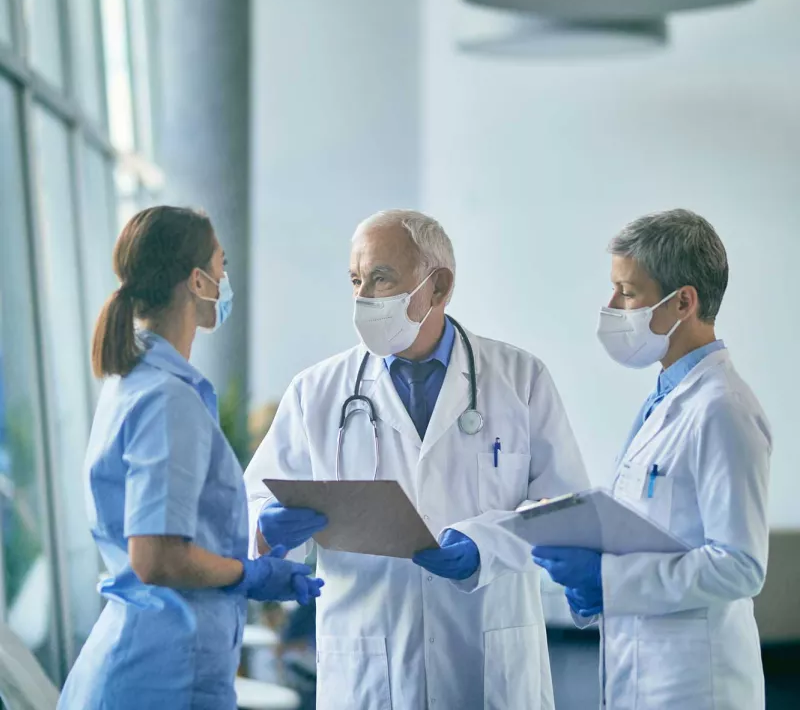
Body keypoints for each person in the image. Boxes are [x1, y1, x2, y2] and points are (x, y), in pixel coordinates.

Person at [244, 209, 589, 709]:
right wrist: (266, 526)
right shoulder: (316, 392)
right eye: (356, 280)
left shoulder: (520, 379)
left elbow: (565, 509)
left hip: (487, 660)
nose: (363, 298)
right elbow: (258, 495)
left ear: (439, 286)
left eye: (381, 279)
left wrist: (486, 546)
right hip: (368, 666)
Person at [59, 207, 323, 710]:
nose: (227, 281)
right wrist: (250, 575)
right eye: (222, 266)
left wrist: (255, 540)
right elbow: (156, 556)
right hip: (158, 677)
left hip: (152, 667)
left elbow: (177, 530)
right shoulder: (166, 398)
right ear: (198, 281)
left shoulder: (140, 380)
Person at [532, 209, 771, 710]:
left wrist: (607, 581)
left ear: (684, 301)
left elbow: (741, 566)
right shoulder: (667, 397)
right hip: (641, 671)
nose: (612, 307)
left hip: (695, 685)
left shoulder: (722, 407)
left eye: (628, 292)